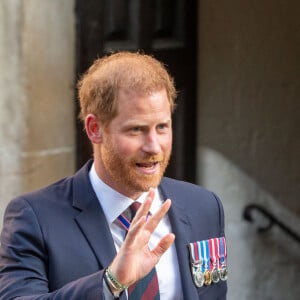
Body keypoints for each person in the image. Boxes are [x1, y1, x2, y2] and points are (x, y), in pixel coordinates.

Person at [0, 52, 227, 299]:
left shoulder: (204, 206)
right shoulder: (35, 217)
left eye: (162, 127)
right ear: (95, 129)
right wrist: (110, 283)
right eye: (136, 130)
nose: (153, 146)